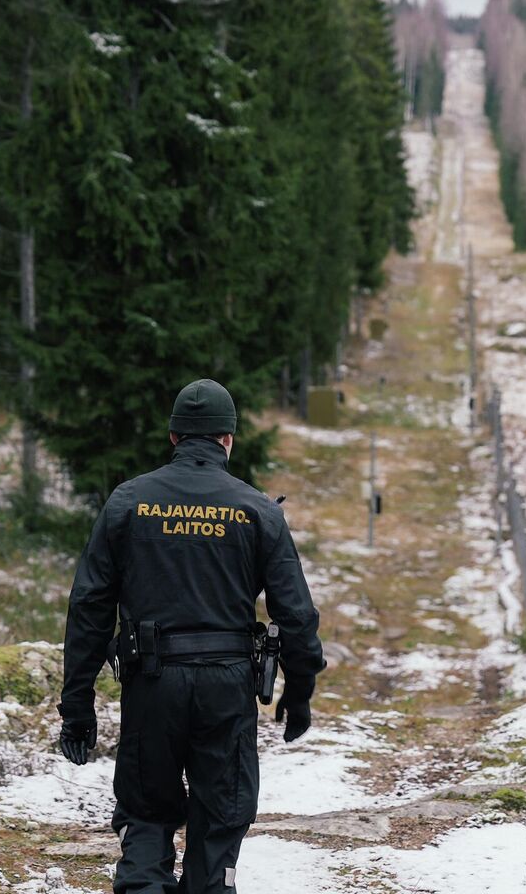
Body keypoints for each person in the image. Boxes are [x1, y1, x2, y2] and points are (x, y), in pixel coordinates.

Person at [56, 378, 324, 894]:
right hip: (227, 687)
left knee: (146, 814)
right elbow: (296, 614)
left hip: (151, 685)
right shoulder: (256, 511)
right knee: (220, 817)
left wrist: (78, 704)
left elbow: (89, 607)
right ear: (228, 439)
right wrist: (300, 689)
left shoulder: (129, 502)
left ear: (174, 437)